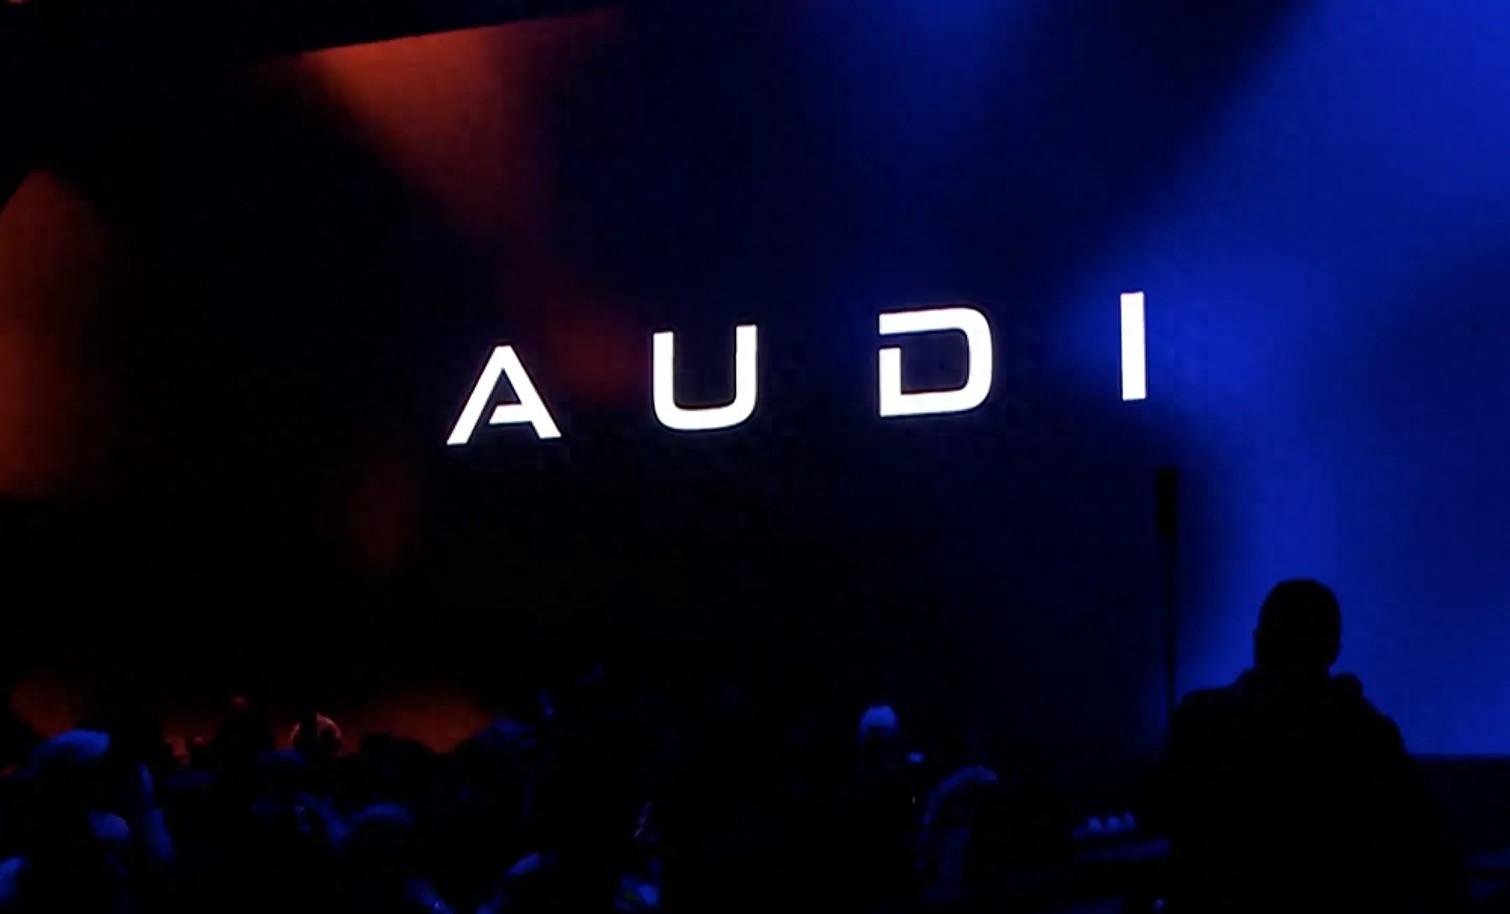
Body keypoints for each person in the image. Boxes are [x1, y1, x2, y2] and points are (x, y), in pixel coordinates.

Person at [1145, 579, 1464, 913]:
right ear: (1333, 649)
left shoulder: (1204, 721)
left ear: (1259, 641)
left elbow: (1156, 810)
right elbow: (1426, 844)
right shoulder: (1366, 732)